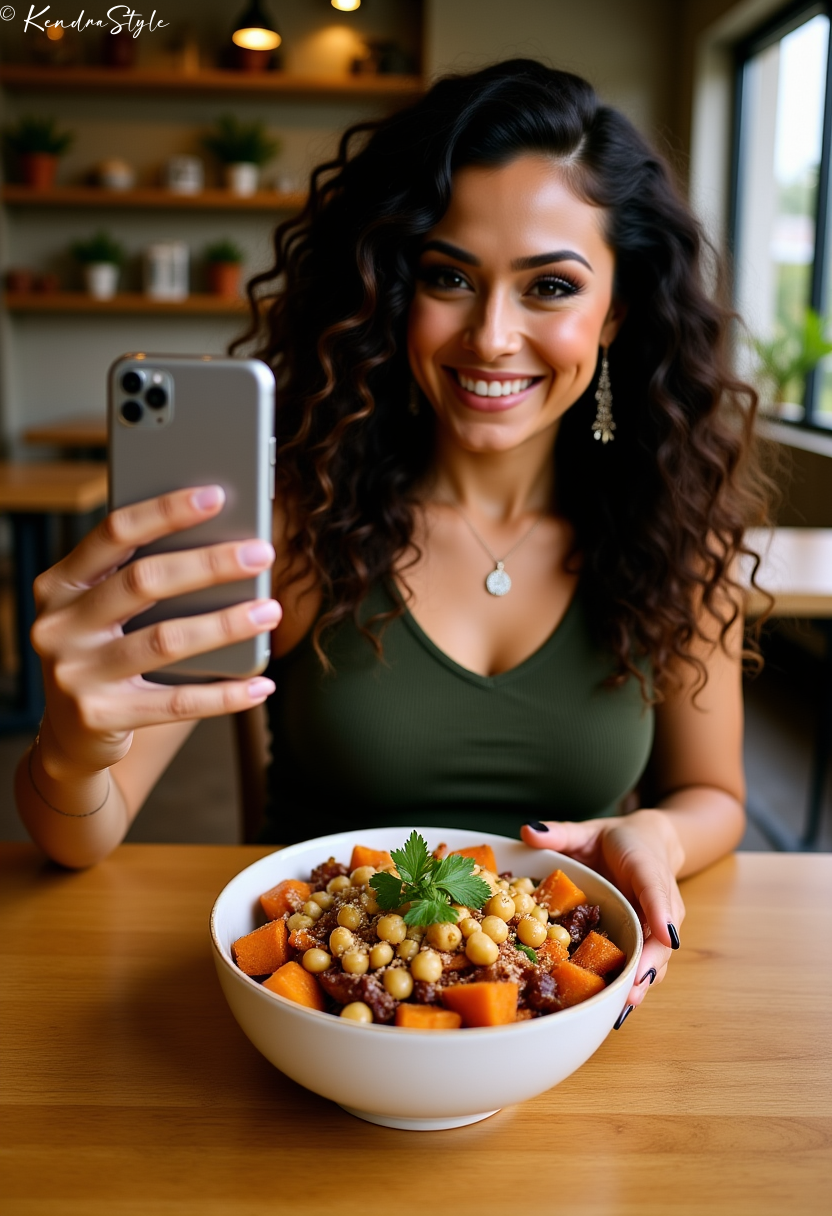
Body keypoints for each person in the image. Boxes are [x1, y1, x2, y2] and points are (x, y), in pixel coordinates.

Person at [14, 60, 770, 1023]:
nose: (493, 336)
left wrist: (656, 835)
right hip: (321, 1017)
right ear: (387, 288)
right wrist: (72, 748)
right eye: (449, 276)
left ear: (615, 312)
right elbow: (79, 837)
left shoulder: (676, 531)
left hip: (571, 1029)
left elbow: (715, 792)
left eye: (549, 286)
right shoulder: (292, 521)